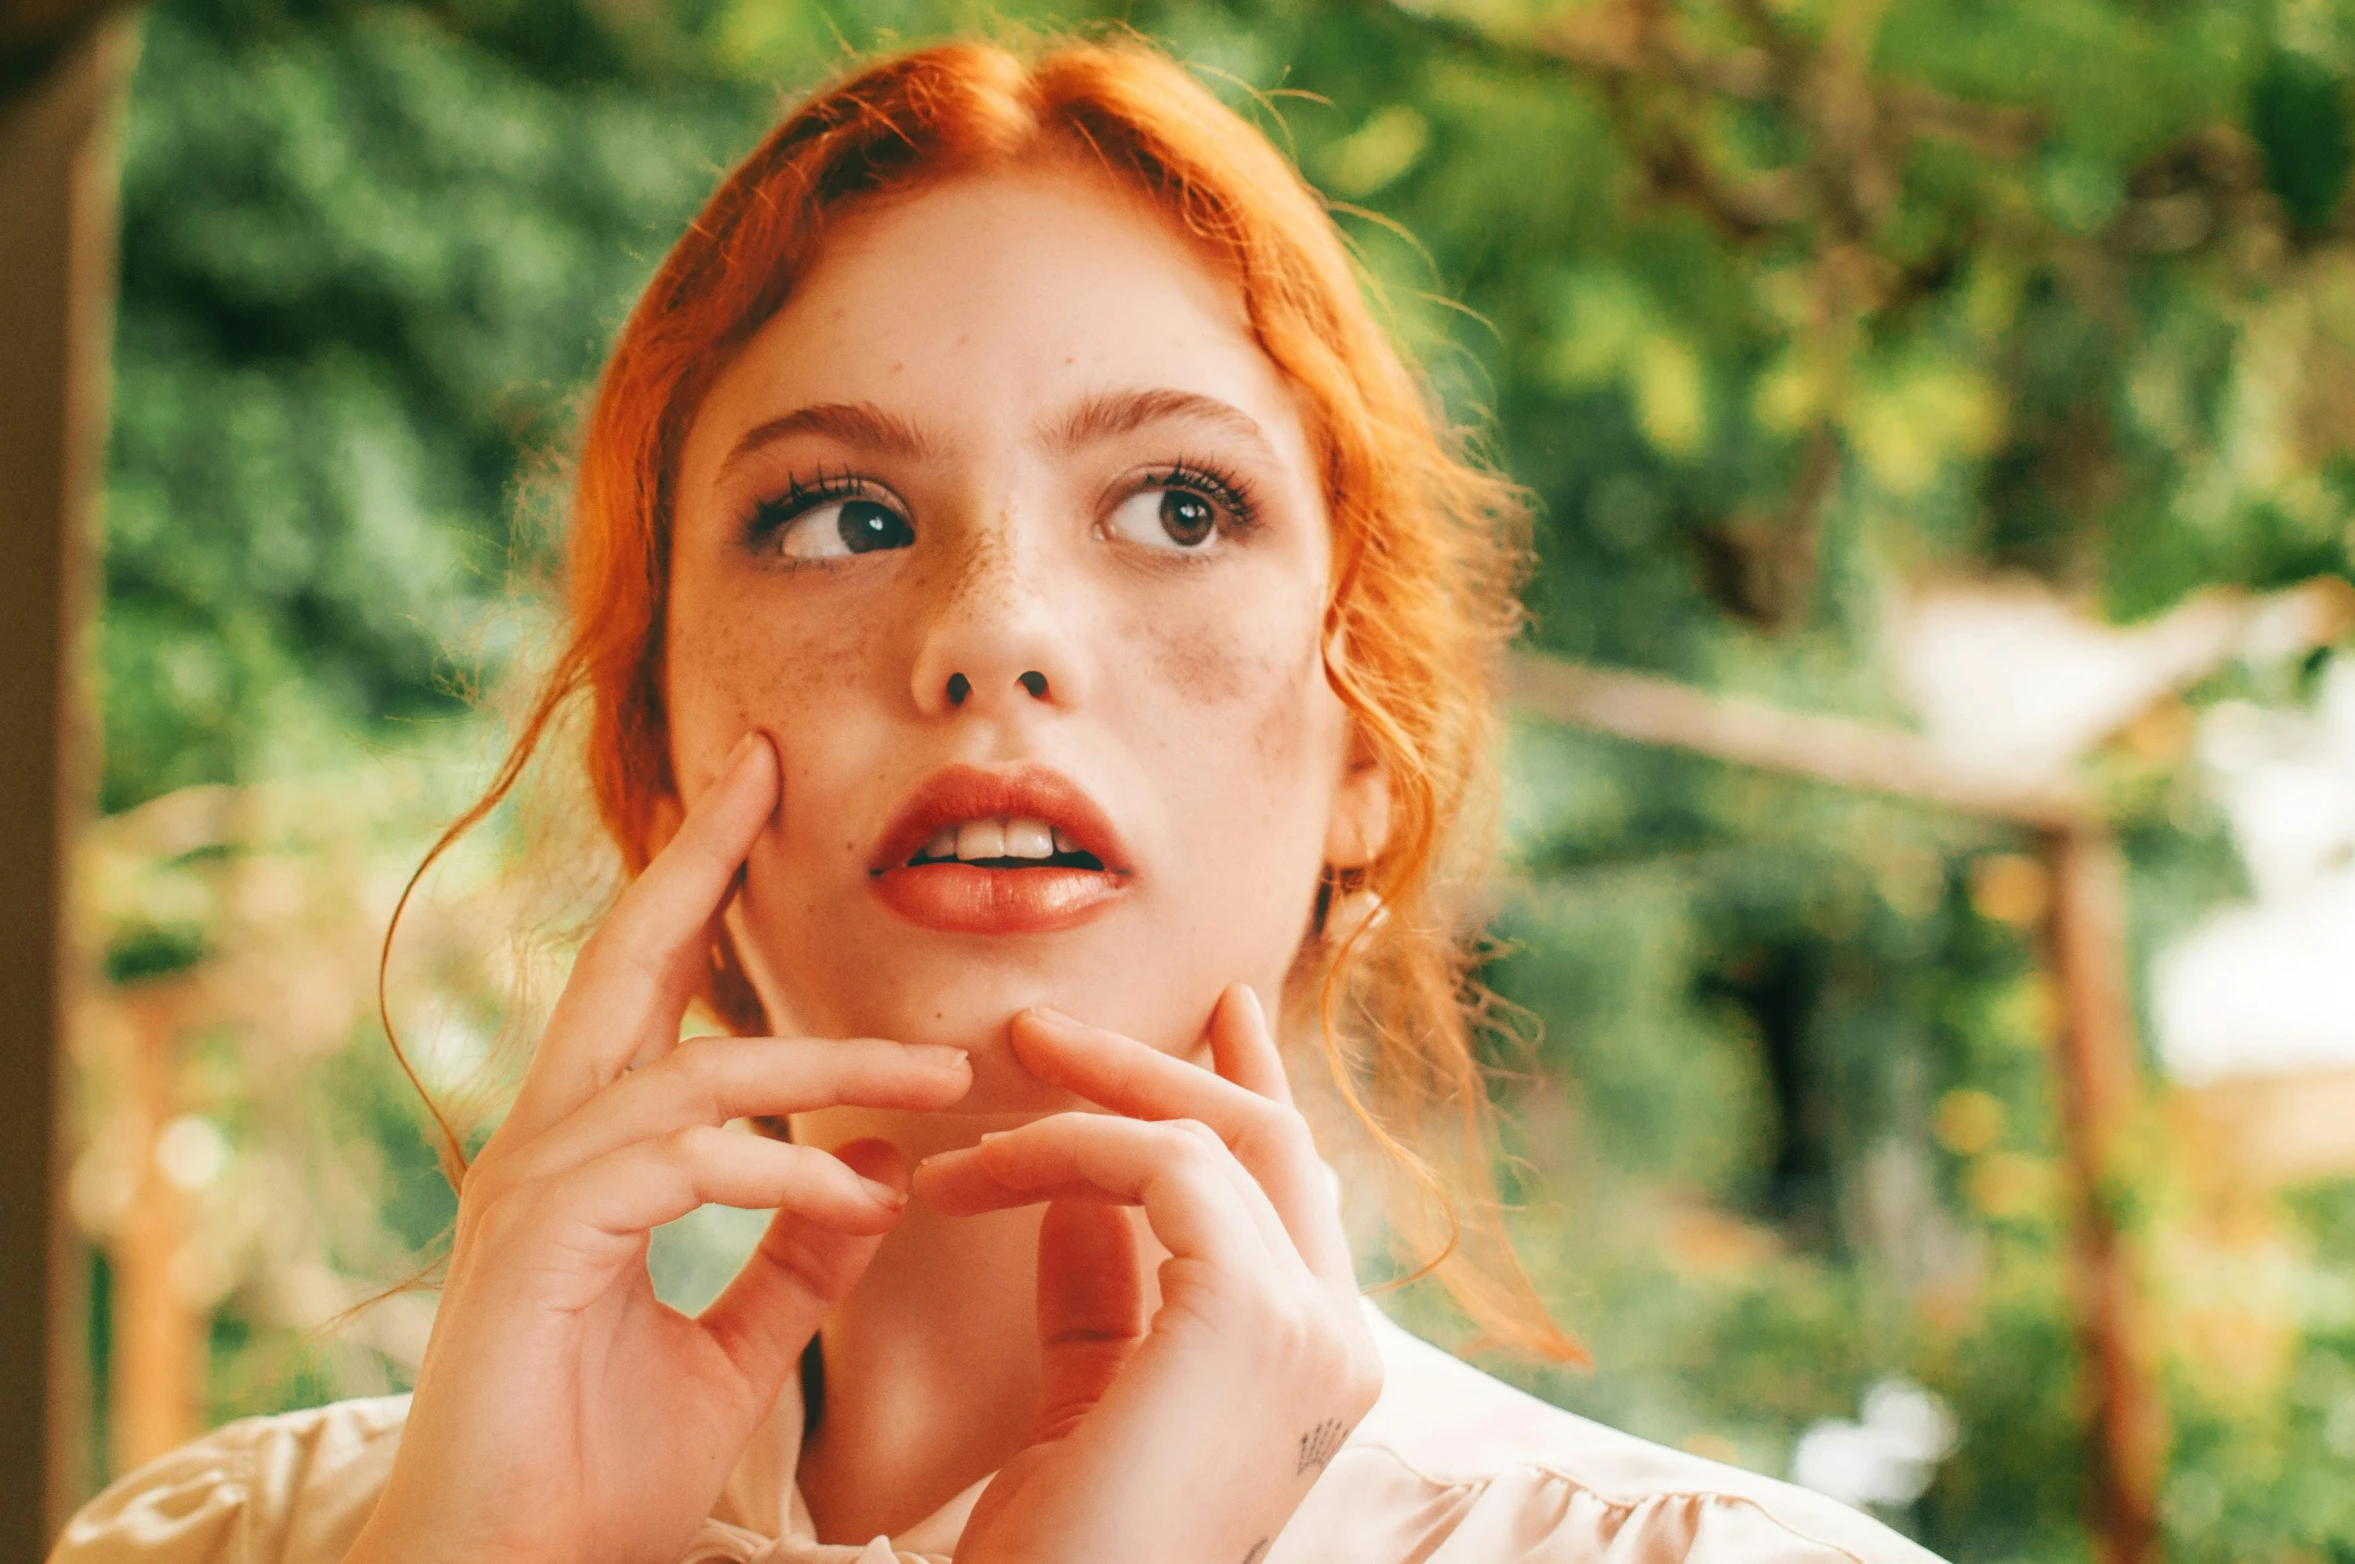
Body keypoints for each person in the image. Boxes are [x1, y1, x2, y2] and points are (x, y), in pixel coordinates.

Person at [53, 35, 1946, 1564]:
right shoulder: (242, 1542)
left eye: (1180, 509)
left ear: (1371, 751)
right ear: (657, 752)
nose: (994, 638)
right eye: (837, 517)